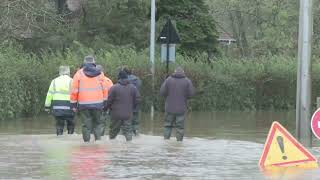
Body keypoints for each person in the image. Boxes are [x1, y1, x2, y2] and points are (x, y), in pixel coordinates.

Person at [70, 55, 108, 142]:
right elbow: (105, 89)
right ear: (94, 62)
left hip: (83, 105)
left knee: (86, 125)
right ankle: (98, 142)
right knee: (98, 124)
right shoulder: (100, 73)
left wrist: (73, 105)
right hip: (98, 104)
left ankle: (86, 144)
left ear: (84, 63)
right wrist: (105, 102)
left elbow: (74, 91)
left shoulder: (78, 74)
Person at [160, 66, 195, 141]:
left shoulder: (168, 80)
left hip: (169, 108)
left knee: (167, 126)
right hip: (181, 109)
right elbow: (191, 94)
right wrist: (185, 97)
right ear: (183, 72)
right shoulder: (187, 81)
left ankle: (166, 142)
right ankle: (179, 144)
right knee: (180, 127)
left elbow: (162, 93)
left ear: (174, 72)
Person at [105, 70, 141, 141]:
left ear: (119, 78)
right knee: (128, 132)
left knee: (113, 132)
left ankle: (111, 147)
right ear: (127, 77)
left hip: (116, 114)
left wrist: (106, 108)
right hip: (128, 114)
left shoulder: (114, 88)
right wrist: (132, 107)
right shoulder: (133, 88)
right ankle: (129, 147)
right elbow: (138, 100)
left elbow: (109, 101)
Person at [45, 66, 75, 135]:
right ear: (68, 72)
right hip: (69, 106)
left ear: (60, 72)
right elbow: (75, 94)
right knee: (71, 123)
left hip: (57, 106)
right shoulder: (71, 81)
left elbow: (49, 94)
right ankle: (70, 136)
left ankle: (59, 136)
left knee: (59, 124)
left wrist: (47, 107)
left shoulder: (54, 81)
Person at [123, 67, 142, 136]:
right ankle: (136, 132)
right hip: (136, 102)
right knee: (136, 120)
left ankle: (128, 136)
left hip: (126, 103)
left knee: (127, 121)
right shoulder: (138, 80)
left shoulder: (123, 81)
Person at [96, 65, 113, 136]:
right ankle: (100, 138)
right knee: (102, 123)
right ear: (103, 71)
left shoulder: (90, 80)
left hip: (92, 105)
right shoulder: (108, 81)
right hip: (104, 106)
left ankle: (91, 140)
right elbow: (112, 95)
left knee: (91, 122)